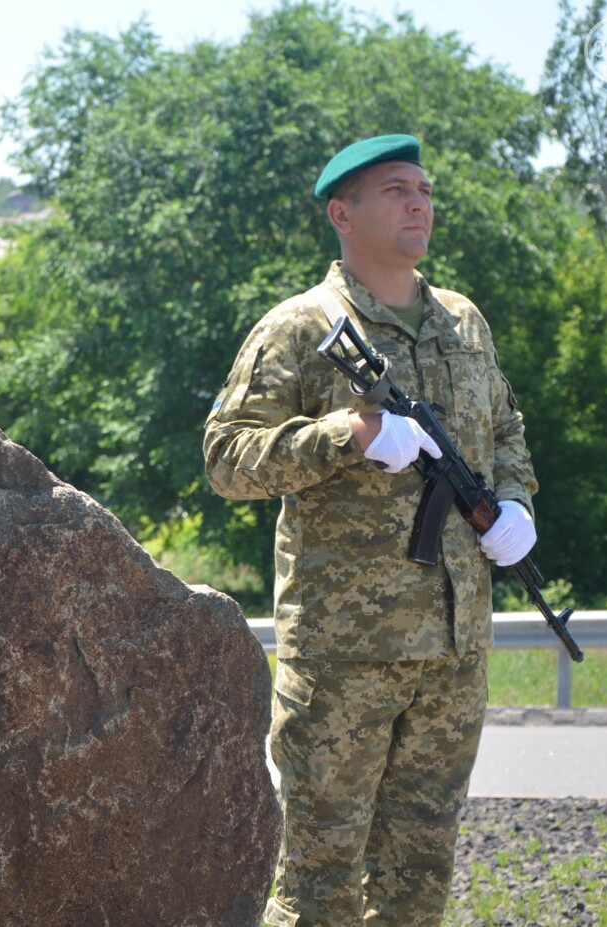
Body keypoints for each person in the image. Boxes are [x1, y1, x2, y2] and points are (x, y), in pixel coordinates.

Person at [203, 134, 540, 926]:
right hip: (344, 657)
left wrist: (517, 504)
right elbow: (226, 459)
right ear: (342, 213)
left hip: (454, 653)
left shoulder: (464, 322)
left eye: (422, 188)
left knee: (420, 878)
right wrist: (343, 436)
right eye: (395, 189)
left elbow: (508, 431)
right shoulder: (299, 326)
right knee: (319, 882)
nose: (418, 201)